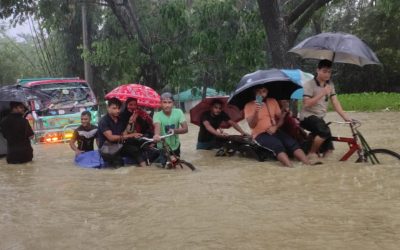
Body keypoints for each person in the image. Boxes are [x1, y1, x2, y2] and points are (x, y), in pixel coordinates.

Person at [244, 86, 311, 167]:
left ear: (267, 92)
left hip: (275, 130)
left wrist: (283, 112)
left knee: (291, 143)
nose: (262, 94)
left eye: (264, 91)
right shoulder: (248, 105)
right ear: (254, 92)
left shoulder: (272, 101)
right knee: (277, 145)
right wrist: (256, 111)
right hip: (259, 134)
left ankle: (308, 164)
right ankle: (290, 167)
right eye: (259, 91)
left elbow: (280, 118)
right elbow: (252, 125)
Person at [300, 59, 351, 160]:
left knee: (329, 150)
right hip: (307, 117)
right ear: (317, 70)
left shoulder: (330, 85)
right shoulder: (309, 84)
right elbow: (306, 103)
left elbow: (335, 103)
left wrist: (346, 117)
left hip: (319, 118)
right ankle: (311, 153)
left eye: (329, 72)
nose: (327, 74)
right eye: (324, 71)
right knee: (324, 132)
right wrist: (322, 93)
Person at [98, 98, 146, 167]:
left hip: (118, 146)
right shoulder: (104, 121)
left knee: (135, 150)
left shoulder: (120, 119)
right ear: (108, 108)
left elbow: (124, 134)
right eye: (114, 108)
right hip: (107, 148)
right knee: (118, 162)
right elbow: (111, 138)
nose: (117, 111)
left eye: (118, 108)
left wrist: (130, 122)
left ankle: (145, 169)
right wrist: (131, 135)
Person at [153, 92, 188, 165]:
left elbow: (185, 129)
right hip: (163, 147)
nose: (167, 105)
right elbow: (157, 126)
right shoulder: (157, 115)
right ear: (161, 104)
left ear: (173, 103)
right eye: (164, 102)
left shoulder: (179, 112)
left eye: (169, 102)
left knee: (176, 165)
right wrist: (156, 135)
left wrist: (174, 131)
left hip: (176, 145)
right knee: (165, 167)